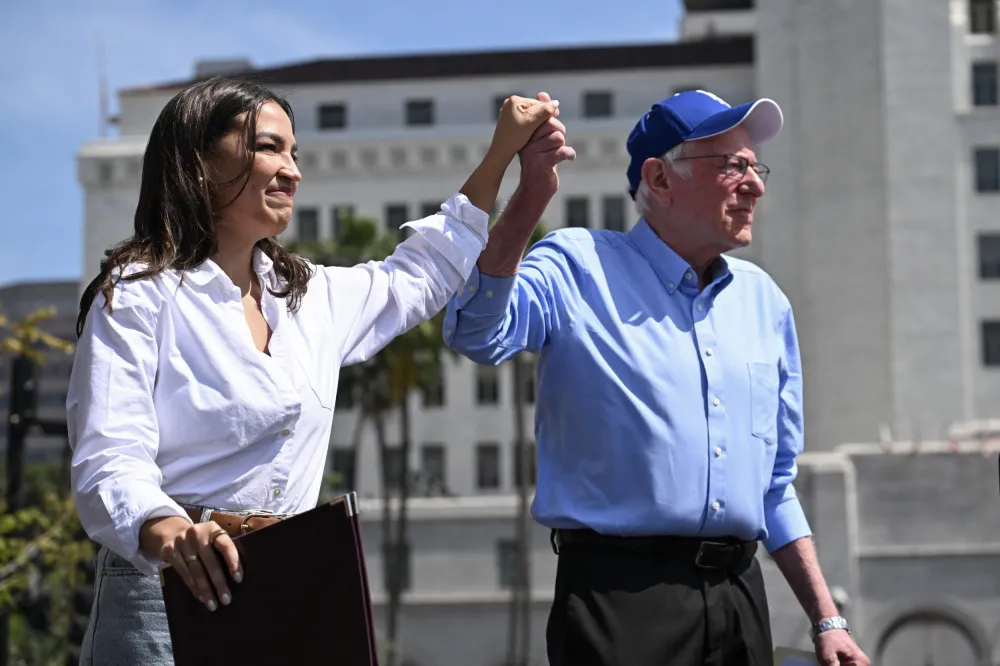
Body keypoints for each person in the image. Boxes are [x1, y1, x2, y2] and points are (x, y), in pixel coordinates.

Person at [68, 77, 562, 665]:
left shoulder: (307, 296)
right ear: (198, 161)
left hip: (286, 587)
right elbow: (109, 460)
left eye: (295, 154)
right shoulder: (139, 295)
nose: (292, 170)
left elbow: (422, 272)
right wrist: (172, 534)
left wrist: (501, 155)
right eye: (269, 148)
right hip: (168, 589)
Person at [443, 90, 871, 666]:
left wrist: (828, 619)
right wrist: (531, 198)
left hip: (742, 599)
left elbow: (774, 484)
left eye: (755, 166)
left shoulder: (765, 302)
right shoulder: (577, 264)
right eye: (732, 165)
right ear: (660, 179)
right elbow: (473, 329)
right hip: (621, 601)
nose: (755, 185)